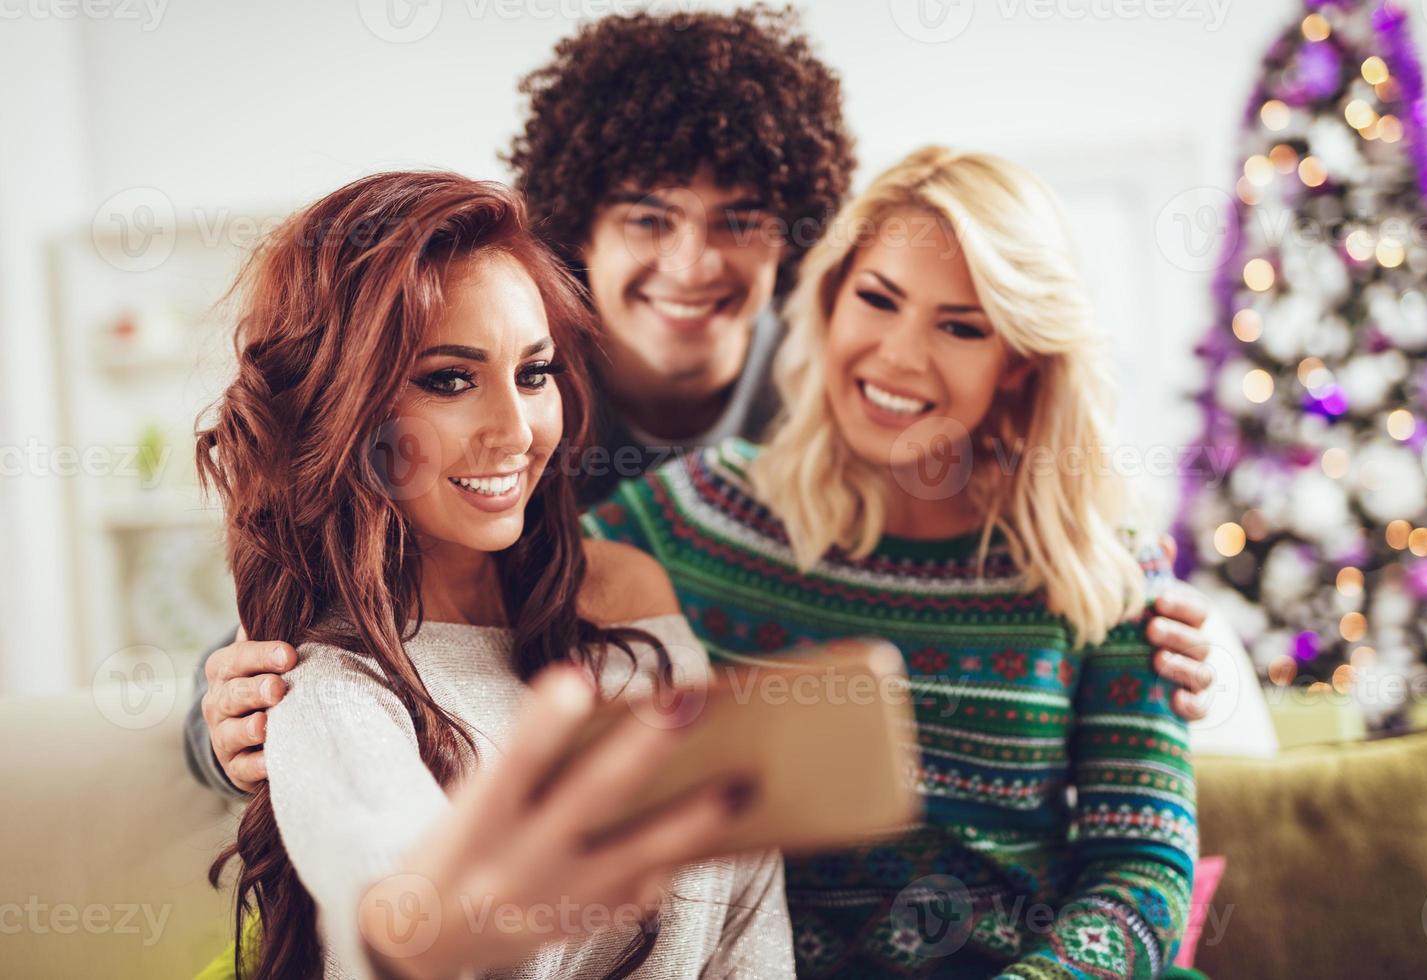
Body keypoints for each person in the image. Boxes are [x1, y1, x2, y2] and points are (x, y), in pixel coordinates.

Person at [186, 5, 1218, 801]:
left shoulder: (853, 401)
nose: (692, 263)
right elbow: (343, 590)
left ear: (796, 236)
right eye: (648, 218)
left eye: (740, 220)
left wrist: (1145, 616)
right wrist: (220, 714)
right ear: (580, 225)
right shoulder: (503, 402)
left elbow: (1029, 547)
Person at [582, 147, 1200, 978]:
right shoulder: (688, 516)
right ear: (831, 303)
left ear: (1018, 361)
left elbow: (1145, 871)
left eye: (962, 326)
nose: (900, 357)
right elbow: (478, 602)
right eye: (878, 300)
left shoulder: (1102, 572)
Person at [196, 170, 793, 979]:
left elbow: (746, 903)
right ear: (341, 407)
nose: (515, 431)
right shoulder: (327, 686)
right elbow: (402, 917)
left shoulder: (626, 593)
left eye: (534, 373)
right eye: (449, 379)